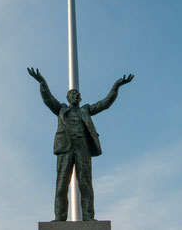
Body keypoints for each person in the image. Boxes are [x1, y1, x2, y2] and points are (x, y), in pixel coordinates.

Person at [27, 67, 134, 221]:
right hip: (65, 149)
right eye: (72, 94)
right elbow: (47, 98)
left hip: (83, 149)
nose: (75, 95)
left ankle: (89, 217)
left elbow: (105, 103)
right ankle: (60, 217)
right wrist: (42, 82)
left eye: (77, 94)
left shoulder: (86, 110)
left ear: (80, 98)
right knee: (62, 184)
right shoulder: (61, 109)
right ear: (68, 98)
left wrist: (116, 87)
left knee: (85, 184)